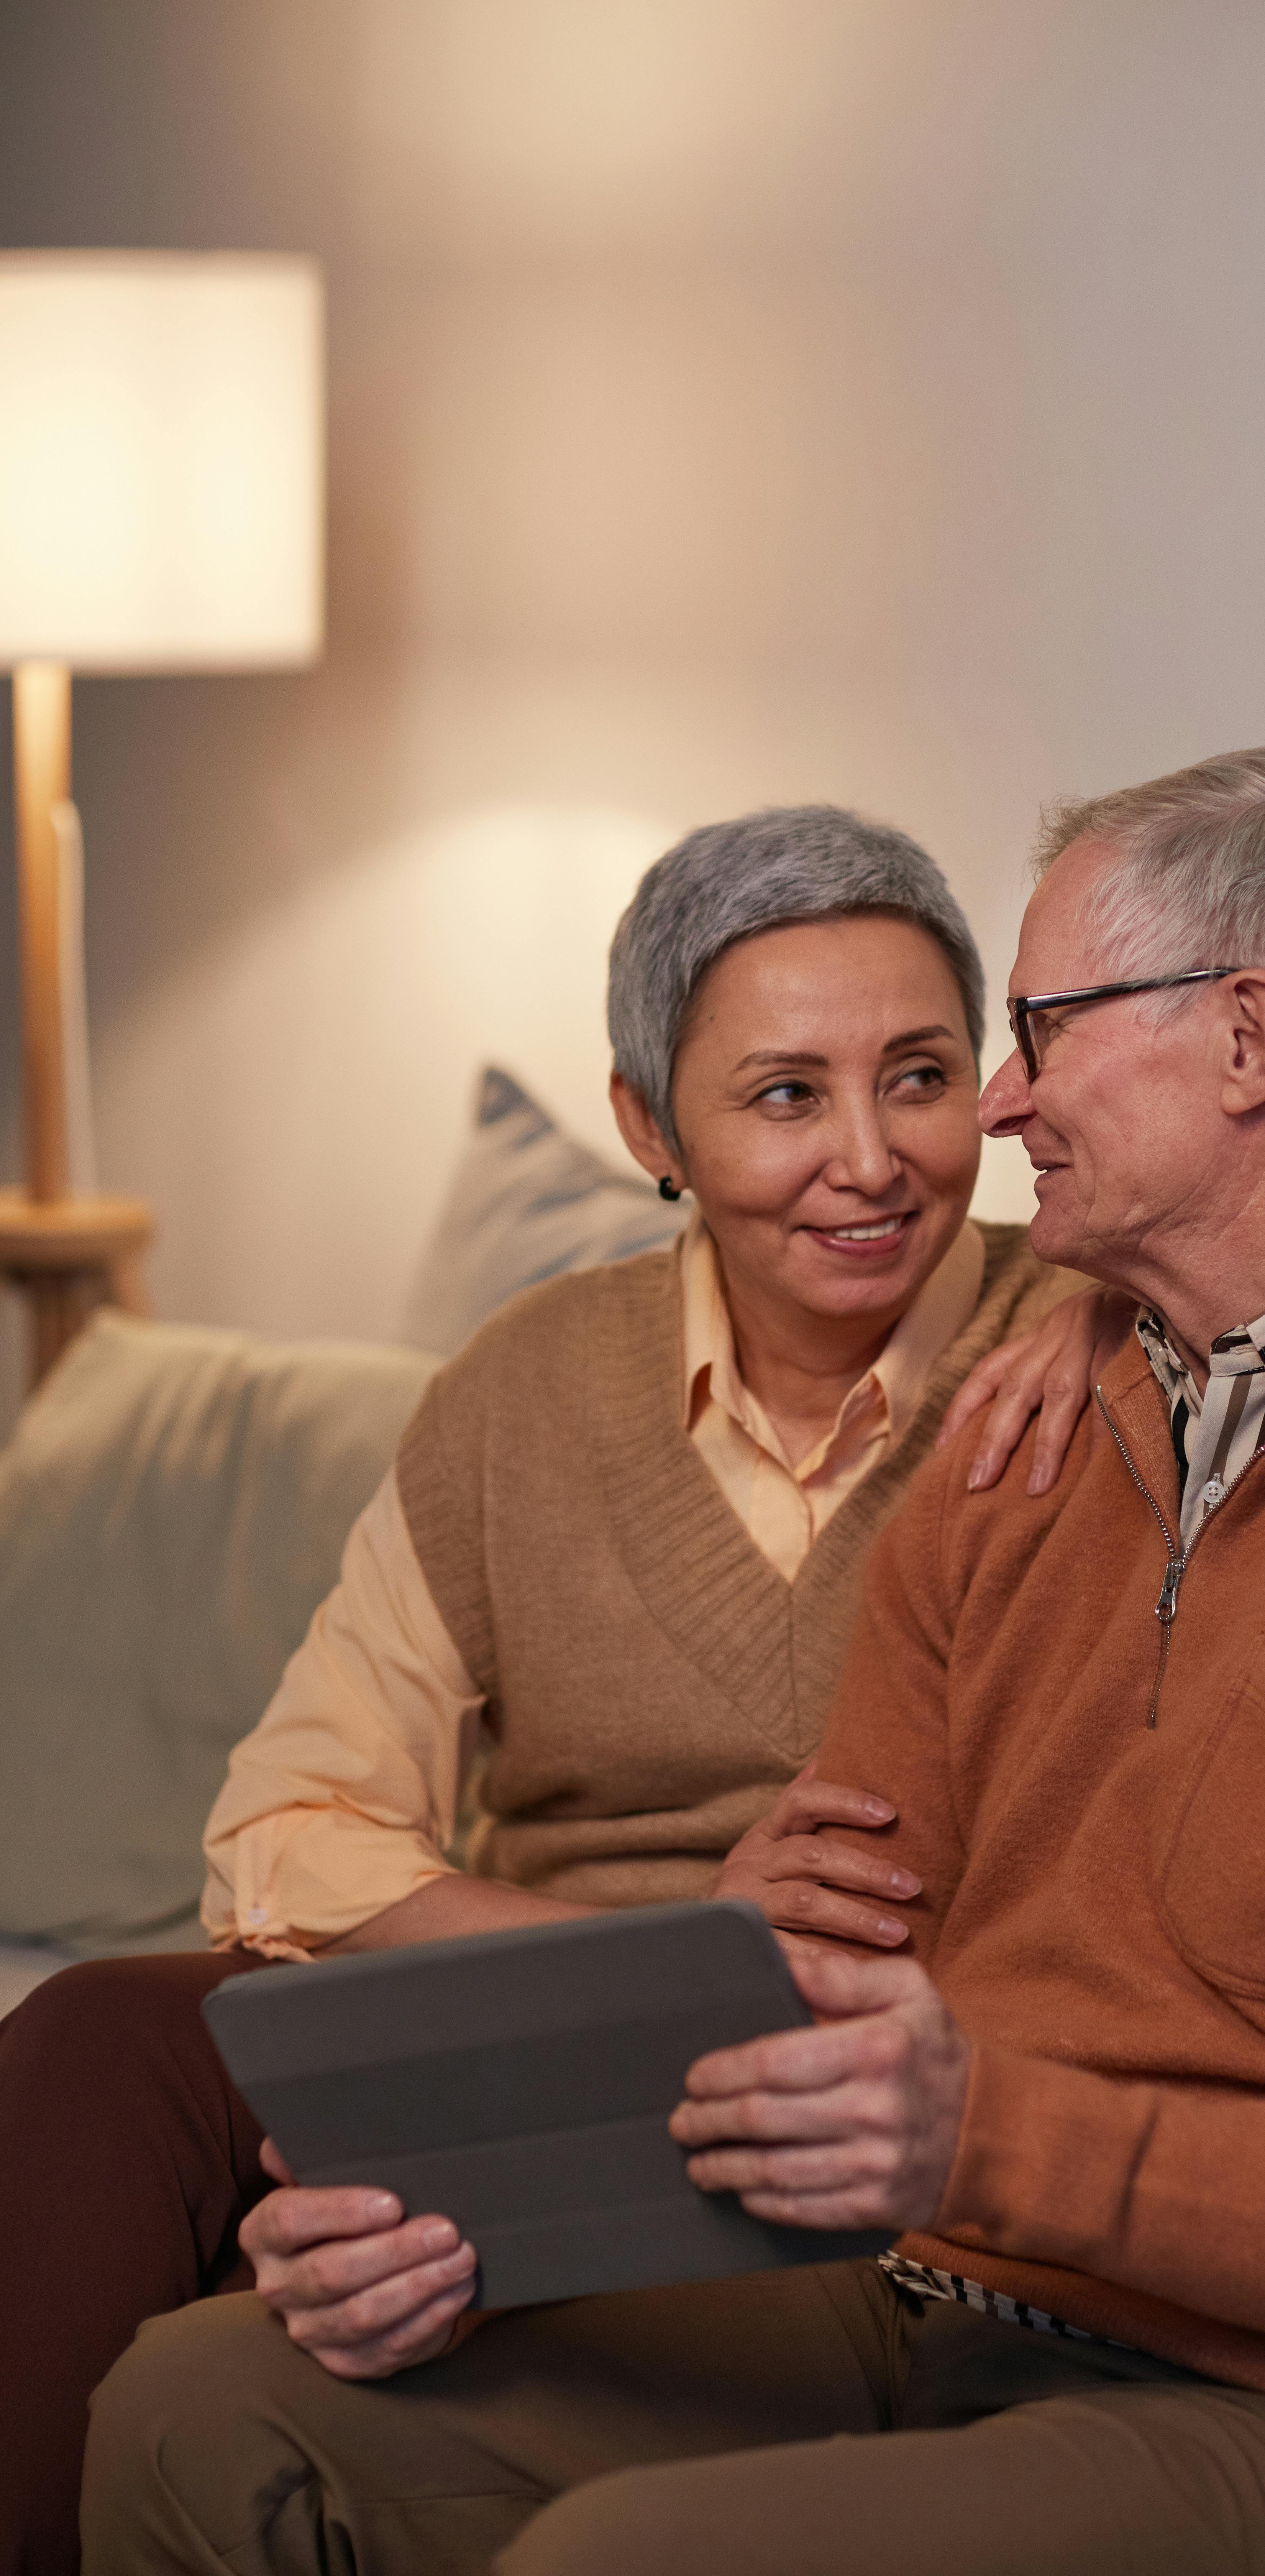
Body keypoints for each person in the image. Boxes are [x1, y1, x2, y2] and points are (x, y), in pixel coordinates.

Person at [80, 751, 1265, 2576]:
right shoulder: (1024, 1432)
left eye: (1034, 1035)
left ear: (1248, 1042)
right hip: (943, 2305)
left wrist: (979, 2135)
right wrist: (459, 2214)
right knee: (201, 2412)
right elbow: (824, 1998)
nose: (999, 1106)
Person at [0, 803, 1119, 2576]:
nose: (870, 1160)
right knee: (100, 2043)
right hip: (538, 2017)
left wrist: (1106, 1294)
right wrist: (646, 1956)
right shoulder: (530, 1384)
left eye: (915, 1079)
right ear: (646, 1128)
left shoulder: (1103, 1357)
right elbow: (285, 1830)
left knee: (248, 2304)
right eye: (780, 1096)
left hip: (831, 2110)